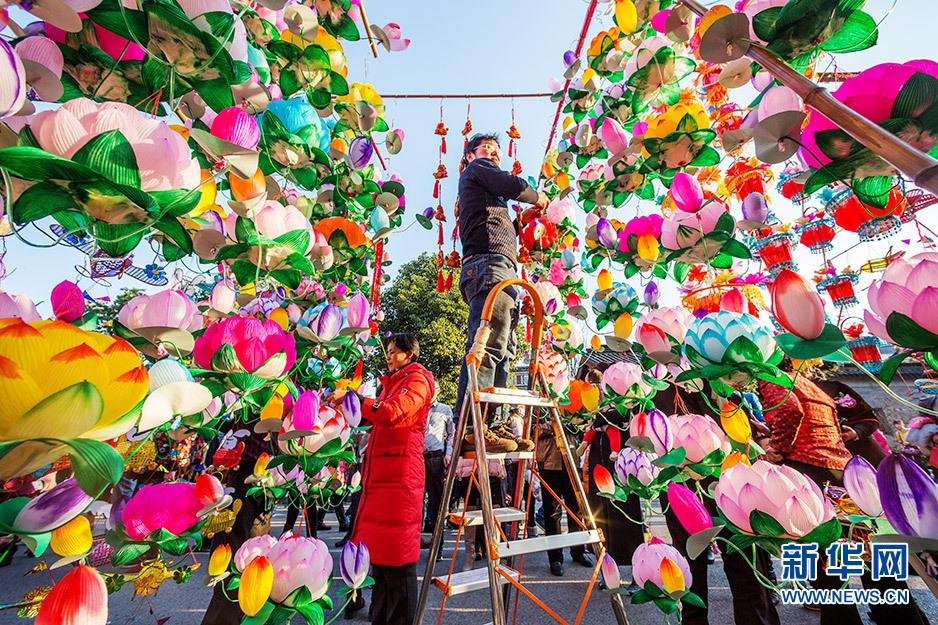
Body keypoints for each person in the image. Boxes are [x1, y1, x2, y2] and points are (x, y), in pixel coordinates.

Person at [760, 361, 929, 625]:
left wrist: (777, 448)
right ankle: (902, 618)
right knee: (873, 557)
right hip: (847, 475)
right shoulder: (812, 388)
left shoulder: (777, 381)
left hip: (815, 478)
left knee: (827, 569)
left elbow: (791, 411)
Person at [654, 383, 780, 625]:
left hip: (721, 480)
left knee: (736, 564)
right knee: (705, 566)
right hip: (701, 483)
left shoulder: (707, 377)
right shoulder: (662, 383)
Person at [454, 133, 548, 451]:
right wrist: (537, 197)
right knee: (488, 345)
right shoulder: (478, 170)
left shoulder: (486, 195)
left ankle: (493, 424)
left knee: (505, 350)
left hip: (500, 267)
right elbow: (510, 184)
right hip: (488, 266)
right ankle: (472, 426)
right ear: (471, 156)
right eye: (487, 149)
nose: (493, 154)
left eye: (496, 151)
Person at [343, 333, 435, 625]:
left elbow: (394, 413)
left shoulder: (418, 381)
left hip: (399, 481)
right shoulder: (391, 384)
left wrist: (358, 399)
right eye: (388, 351)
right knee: (380, 565)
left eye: (394, 351)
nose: (388, 356)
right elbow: (374, 417)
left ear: (409, 354)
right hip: (382, 478)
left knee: (397, 563)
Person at [536, 408, 593, 576]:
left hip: (570, 459)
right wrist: (554, 423)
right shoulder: (537, 406)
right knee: (552, 512)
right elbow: (532, 431)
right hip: (549, 462)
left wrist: (575, 421)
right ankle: (555, 557)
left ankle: (578, 551)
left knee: (576, 509)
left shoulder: (568, 402)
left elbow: (579, 429)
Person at [423, 381, 454, 540]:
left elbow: (452, 435)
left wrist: (449, 453)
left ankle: (438, 545)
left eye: (432, 388)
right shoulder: (417, 408)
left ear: (439, 390)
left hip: (436, 459)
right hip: (417, 459)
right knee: (414, 503)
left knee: (436, 503)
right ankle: (415, 542)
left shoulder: (445, 409)